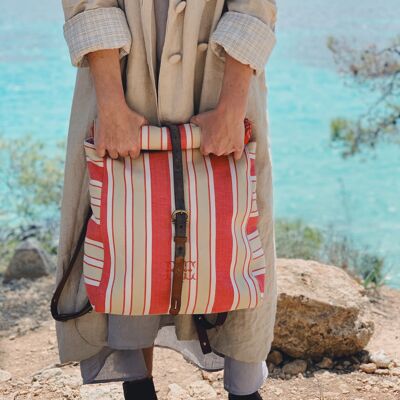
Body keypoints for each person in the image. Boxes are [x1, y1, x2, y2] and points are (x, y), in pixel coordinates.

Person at [55, 0, 278, 398]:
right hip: (124, 80)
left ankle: (244, 389)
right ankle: (139, 389)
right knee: (129, 234)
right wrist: (110, 104)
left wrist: (231, 106)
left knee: (234, 231)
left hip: (221, 81)